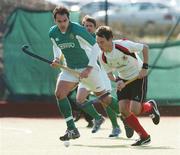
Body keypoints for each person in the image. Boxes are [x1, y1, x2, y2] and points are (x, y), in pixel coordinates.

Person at [49, 6, 119, 141]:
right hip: (71, 69)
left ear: (68, 19)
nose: (62, 24)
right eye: (59, 21)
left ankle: (126, 117)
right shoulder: (53, 33)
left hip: (89, 68)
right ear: (55, 21)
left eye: (64, 20)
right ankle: (72, 129)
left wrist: (89, 67)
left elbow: (96, 46)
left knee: (104, 98)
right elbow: (56, 46)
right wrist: (57, 59)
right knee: (60, 93)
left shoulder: (77, 30)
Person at [96, 26, 160, 146]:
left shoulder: (123, 45)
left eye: (102, 42)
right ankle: (144, 136)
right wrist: (116, 81)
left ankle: (150, 106)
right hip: (123, 79)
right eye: (98, 42)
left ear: (111, 39)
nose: (100, 45)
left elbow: (145, 48)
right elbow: (109, 73)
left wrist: (145, 68)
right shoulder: (102, 56)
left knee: (135, 110)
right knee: (123, 111)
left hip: (138, 77)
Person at [79, 15, 121, 137]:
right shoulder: (79, 38)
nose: (87, 28)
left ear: (94, 28)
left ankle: (116, 125)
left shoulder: (97, 40)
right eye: (85, 25)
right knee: (79, 99)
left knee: (105, 101)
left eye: (90, 26)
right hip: (86, 74)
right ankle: (98, 118)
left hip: (101, 72)